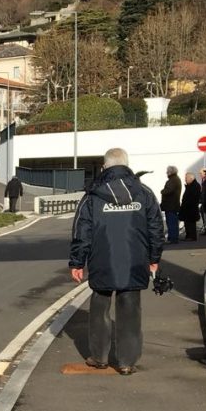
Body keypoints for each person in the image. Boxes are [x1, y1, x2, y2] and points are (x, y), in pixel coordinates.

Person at [69, 147, 163, 376]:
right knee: (130, 310)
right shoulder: (144, 192)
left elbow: (82, 230)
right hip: (134, 261)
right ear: (128, 164)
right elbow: (156, 228)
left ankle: (99, 357)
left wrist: (77, 262)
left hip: (102, 260)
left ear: (105, 167)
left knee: (100, 309)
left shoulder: (93, 195)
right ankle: (126, 361)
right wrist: (154, 258)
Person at [160, 166, 182, 244]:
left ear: (170, 172)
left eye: (167, 171)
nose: (166, 173)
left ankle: (173, 238)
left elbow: (168, 191)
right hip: (172, 205)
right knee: (172, 222)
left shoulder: (173, 180)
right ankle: (172, 237)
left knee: (171, 222)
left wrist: (162, 191)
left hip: (171, 205)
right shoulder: (175, 179)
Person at [180, 172, 201, 242]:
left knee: (191, 223)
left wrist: (188, 203)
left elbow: (193, 197)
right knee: (187, 222)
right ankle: (189, 235)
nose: (185, 180)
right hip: (188, 207)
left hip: (191, 208)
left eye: (186, 178)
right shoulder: (190, 185)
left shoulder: (195, 186)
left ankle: (191, 236)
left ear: (191, 178)